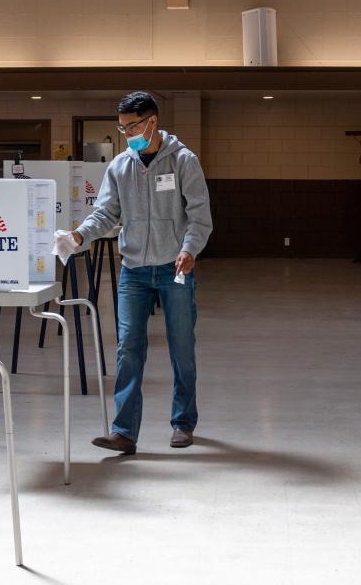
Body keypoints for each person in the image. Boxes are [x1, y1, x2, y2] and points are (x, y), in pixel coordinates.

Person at [61, 91, 212, 455]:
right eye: (123, 127)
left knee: (182, 348)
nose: (127, 134)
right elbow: (106, 213)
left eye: (132, 126)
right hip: (133, 271)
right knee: (128, 348)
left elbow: (199, 216)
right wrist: (80, 234)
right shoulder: (120, 167)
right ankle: (124, 432)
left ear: (152, 122)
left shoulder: (183, 162)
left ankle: (183, 422)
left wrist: (189, 249)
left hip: (174, 268)